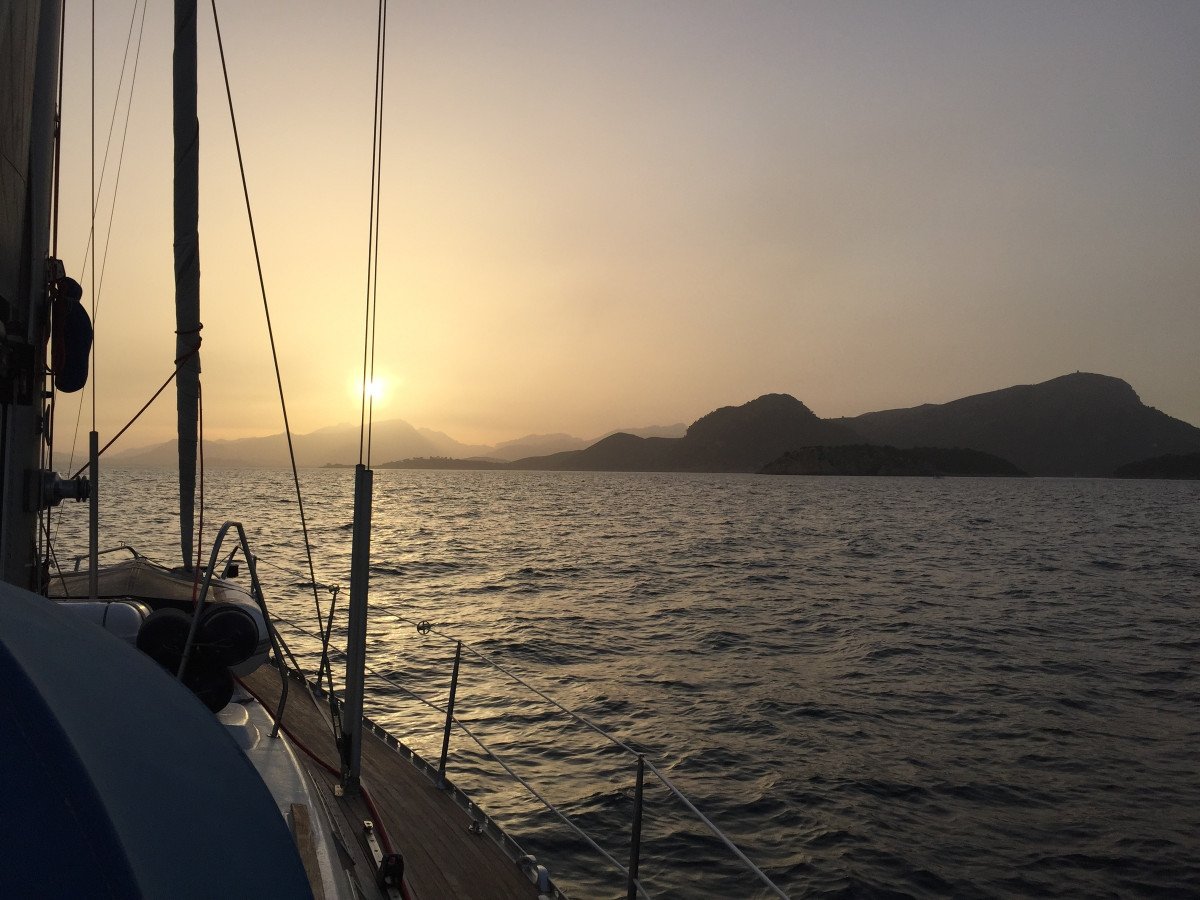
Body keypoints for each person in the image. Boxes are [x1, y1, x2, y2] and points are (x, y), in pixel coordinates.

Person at [50, 276, 92, 393]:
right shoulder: (79, 311)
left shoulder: (72, 306)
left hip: (72, 373)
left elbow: (62, 305)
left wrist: (57, 294)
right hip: (76, 375)